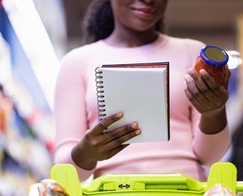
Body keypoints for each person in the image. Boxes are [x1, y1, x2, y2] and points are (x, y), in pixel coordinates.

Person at [53, 0, 231, 183]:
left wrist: (214, 113)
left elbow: (210, 157)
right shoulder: (76, 63)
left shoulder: (193, 52)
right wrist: (86, 153)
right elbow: (65, 170)